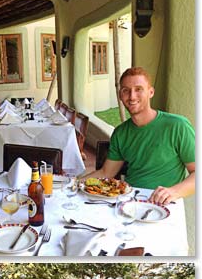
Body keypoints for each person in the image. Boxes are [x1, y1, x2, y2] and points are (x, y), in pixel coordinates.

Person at [82, 67, 195, 205]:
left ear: (151, 92)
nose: (132, 96)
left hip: (165, 205)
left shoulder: (178, 126)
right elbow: (106, 173)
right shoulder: (121, 133)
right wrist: (74, 183)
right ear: (120, 95)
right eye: (126, 91)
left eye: (138, 89)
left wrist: (173, 192)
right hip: (130, 202)